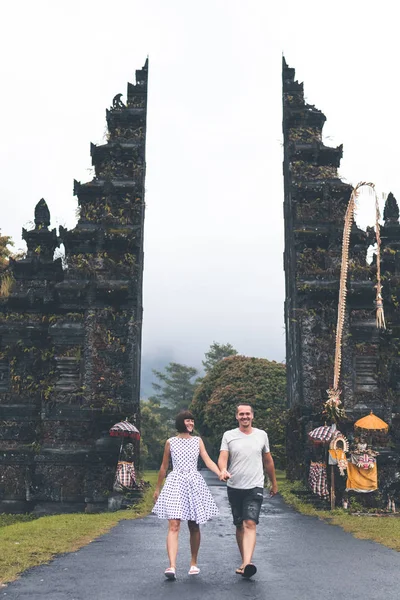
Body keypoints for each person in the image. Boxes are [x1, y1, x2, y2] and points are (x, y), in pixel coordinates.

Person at [153, 410, 229, 580]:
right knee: (174, 524)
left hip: (193, 482)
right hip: (175, 482)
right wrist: (158, 488)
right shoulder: (170, 442)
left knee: (194, 524)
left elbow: (207, 460)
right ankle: (172, 566)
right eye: (188, 421)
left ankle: (193, 563)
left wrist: (219, 473)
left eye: (192, 421)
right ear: (181, 422)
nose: (191, 424)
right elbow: (164, 467)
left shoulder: (197, 441)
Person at [218, 403, 278, 579]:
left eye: (247, 414)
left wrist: (273, 482)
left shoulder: (261, 435)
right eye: (241, 414)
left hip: (255, 486)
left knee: (250, 523)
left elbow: (268, 461)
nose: (244, 417)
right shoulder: (229, 436)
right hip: (235, 487)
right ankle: (244, 560)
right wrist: (222, 470)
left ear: (252, 416)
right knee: (239, 524)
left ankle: (247, 563)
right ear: (237, 417)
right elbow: (223, 457)